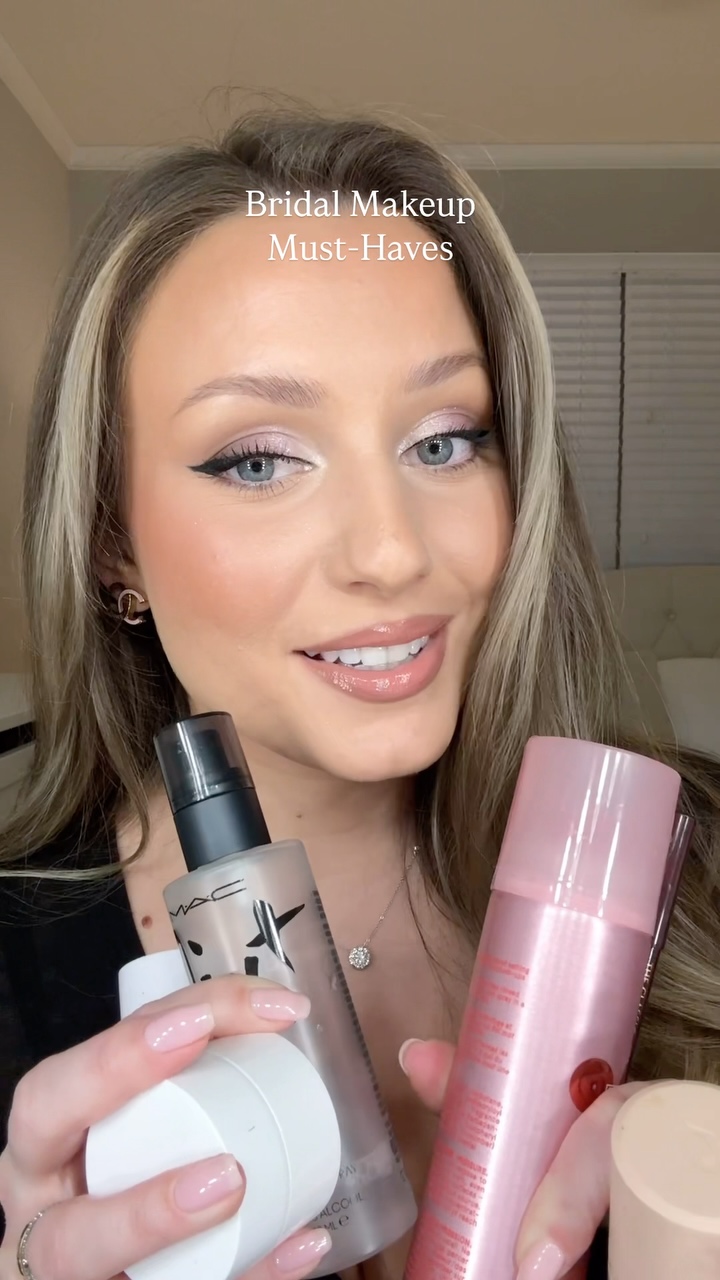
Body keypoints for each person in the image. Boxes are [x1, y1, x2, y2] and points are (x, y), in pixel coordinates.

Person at [0, 107, 718, 1280]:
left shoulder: (701, 864)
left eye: (446, 439)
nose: (391, 552)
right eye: (257, 458)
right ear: (111, 541)